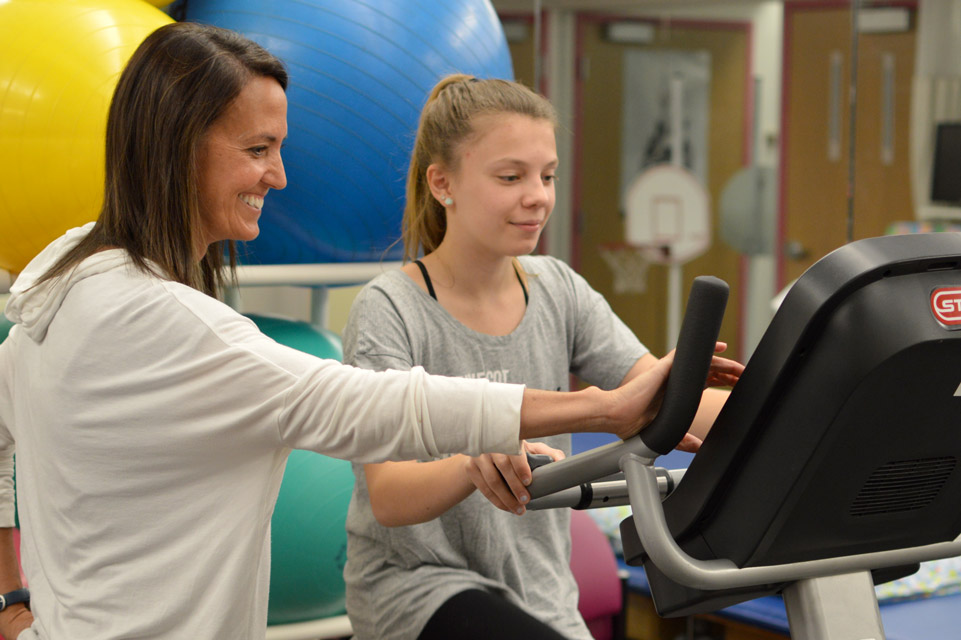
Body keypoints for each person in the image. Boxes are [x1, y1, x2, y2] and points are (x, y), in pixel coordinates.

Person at [0, 24, 741, 640]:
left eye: (545, 176)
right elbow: (376, 408)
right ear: (174, 150)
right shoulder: (163, 318)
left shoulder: (70, 271)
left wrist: (11, 601)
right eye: (257, 151)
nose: (281, 177)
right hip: (412, 592)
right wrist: (597, 410)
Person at [341, 74, 741, 640]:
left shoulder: (557, 288)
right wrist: (469, 463)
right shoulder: (390, 308)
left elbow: (661, 397)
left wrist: (796, 413)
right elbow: (387, 495)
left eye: (548, 176)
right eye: (511, 177)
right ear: (442, 182)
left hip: (541, 592)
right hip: (419, 589)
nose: (539, 196)